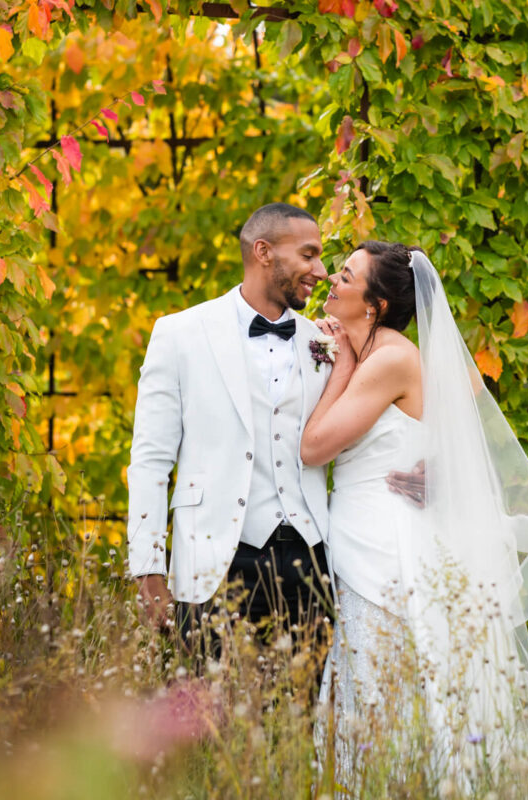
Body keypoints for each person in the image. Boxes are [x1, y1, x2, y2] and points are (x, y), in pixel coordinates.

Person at [301, 241, 528, 789]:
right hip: (363, 531)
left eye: (346, 276)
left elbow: (314, 448)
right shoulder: (369, 348)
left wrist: (341, 368)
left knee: (383, 689)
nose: (332, 280)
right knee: (368, 686)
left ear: (376, 305)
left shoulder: (389, 359)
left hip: (387, 545)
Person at [126, 202, 337, 654]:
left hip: (311, 563)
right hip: (216, 560)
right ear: (263, 252)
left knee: (304, 697)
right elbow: (150, 460)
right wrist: (148, 567)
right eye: (308, 255)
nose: (321, 271)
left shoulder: (323, 342)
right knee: (209, 696)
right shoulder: (180, 334)